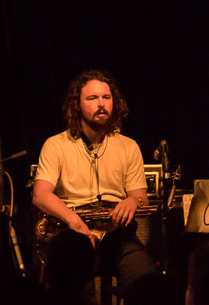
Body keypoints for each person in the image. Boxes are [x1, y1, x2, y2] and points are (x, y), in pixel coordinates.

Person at [32, 70, 157, 291]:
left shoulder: (129, 146)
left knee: (145, 280)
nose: (101, 104)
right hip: (72, 230)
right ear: (76, 105)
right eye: (92, 98)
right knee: (75, 291)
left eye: (106, 97)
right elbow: (40, 195)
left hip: (117, 233)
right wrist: (75, 222)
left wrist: (133, 202)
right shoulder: (56, 144)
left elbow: (141, 199)